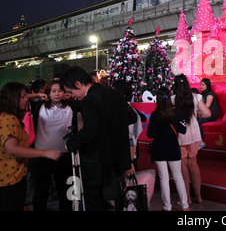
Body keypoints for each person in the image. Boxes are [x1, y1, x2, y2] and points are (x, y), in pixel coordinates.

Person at [60, 66, 134, 211]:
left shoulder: (88, 100)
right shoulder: (115, 94)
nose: (73, 96)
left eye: (71, 92)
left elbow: (90, 130)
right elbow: (130, 118)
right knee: (115, 197)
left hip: (96, 162)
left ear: (78, 84)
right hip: (117, 160)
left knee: (93, 201)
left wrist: (71, 143)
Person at [0, 82, 62, 211]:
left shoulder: (12, 117)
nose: (25, 100)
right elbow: (12, 148)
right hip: (9, 179)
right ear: (13, 98)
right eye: (23, 97)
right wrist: (45, 153)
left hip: (15, 176)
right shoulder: (8, 119)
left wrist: (37, 95)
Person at [29, 80, 74, 211]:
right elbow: (18, 97)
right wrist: (36, 96)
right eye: (53, 91)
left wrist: (71, 96)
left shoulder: (72, 106)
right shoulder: (39, 106)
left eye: (60, 91)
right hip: (41, 155)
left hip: (63, 155)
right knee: (40, 192)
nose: (57, 94)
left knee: (65, 191)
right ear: (48, 93)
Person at [147, 87, 189, 211]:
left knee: (163, 178)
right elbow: (183, 130)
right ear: (170, 97)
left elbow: (150, 134)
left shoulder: (155, 115)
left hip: (159, 148)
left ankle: (167, 207)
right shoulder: (177, 113)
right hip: (173, 147)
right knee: (178, 177)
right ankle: (185, 205)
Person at [172, 74, 211, 205]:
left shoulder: (172, 99)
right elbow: (207, 114)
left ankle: (186, 198)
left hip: (180, 137)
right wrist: (197, 113)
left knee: (183, 167)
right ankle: (198, 197)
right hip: (194, 136)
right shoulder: (196, 97)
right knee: (194, 165)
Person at [112, 80, 146, 171]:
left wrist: (129, 162)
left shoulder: (128, 111)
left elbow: (131, 138)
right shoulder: (128, 109)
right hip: (127, 154)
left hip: (128, 155)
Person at [197, 78, 219, 148]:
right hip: (205, 113)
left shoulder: (210, 94)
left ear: (207, 86)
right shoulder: (202, 94)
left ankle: (201, 141)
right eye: (201, 85)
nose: (201, 86)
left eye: (203, 85)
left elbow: (207, 106)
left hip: (211, 114)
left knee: (197, 121)